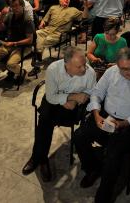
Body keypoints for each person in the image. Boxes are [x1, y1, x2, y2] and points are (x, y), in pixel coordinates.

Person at [74, 48, 130, 203]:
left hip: (128, 123)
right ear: (117, 65)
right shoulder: (111, 72)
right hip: (105, 115)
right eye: (125, 69)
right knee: (79, 136)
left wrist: (124, 123)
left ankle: (104, 194)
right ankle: (93, 169)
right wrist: (96, 115)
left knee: (113, 155)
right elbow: (97, 93)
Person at [22, 47, 96, 181]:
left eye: (84, 64)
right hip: (55, 102)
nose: (84, 69)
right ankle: (41, 158)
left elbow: (91, 92)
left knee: (46, 120)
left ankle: (37, 156)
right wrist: (70, 98)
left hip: (74, 107)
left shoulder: (90, 72)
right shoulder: (53, 69)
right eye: (79, 67)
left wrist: (77, 100)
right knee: (45, 119)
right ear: (66, 64)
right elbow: (50, 96)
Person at [29, 0, 86, 76]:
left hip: (60, 34)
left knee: (43, 40)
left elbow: (84, 16)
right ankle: (37, 58)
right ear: (60, 0)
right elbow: (45, 19)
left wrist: (86, 8)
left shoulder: (73, 10)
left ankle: (36, 63)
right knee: (35, 34)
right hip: (47, 30)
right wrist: (42, 23)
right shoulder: (53, 8)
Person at [0, 0, 34, 84]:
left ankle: (21, 72)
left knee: (11, 64)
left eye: (16, 6)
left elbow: (30, 40)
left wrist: (14, 43)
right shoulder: (10, 16)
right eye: (12, 6)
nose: (14, 8)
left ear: (22, 6)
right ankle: (11, 71)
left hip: (23, 46)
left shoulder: (27, 19)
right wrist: (2, 15)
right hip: (10, 44)